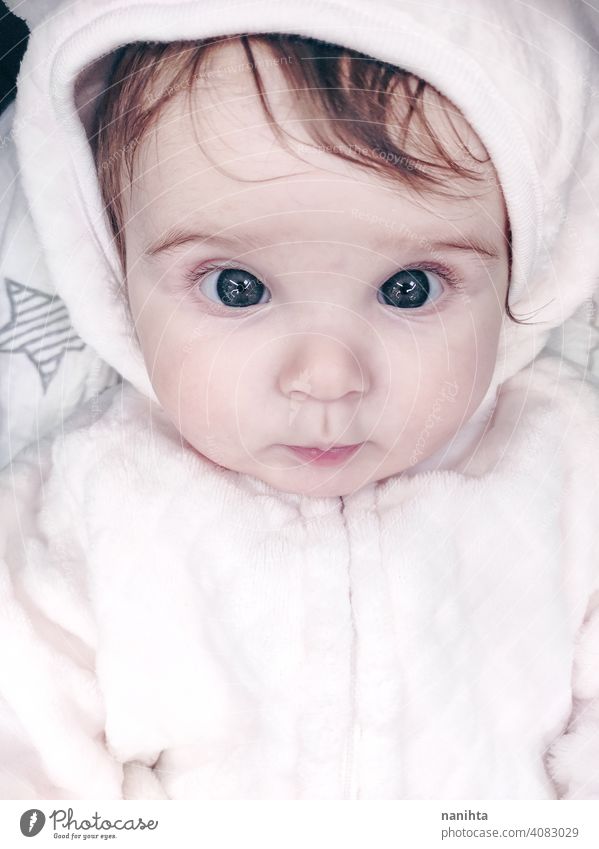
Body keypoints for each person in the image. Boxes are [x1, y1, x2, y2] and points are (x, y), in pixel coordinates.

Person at [1, 0, 598, 800]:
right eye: (236, 287)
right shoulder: (86, 505)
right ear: (116, 280)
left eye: (409, 288)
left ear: (524, 264)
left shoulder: (565, 477)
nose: (325, 375)